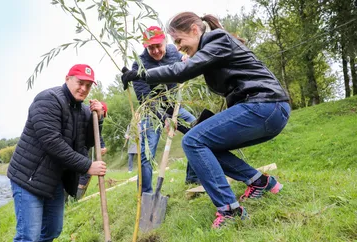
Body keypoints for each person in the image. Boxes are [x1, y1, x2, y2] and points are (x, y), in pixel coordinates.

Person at [121, 13, 290, 228]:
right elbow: (186, 69)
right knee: (204, 143)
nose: (179, 47)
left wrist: (141, 74)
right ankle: (260, 182)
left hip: (265, 105)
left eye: (179, 41)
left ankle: (229, 210)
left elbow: (182, 72)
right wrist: (175, 123)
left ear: (194, 30)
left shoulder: (217, 39)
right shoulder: (210, 49)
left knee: (193, 142)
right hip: (267, 110)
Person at [7, 64, 106, 242]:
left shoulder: (82, 110)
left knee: (53, 230)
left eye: (88, 86)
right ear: (68, 78)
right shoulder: (48, 100)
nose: (84, 89)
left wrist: (99, 118)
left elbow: (86, 142)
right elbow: (53, 143)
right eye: (80, 83)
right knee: (27, 238)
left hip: (54, 182)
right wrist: (88, 166)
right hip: (29, 178)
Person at [131, 26, 198, 193]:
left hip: (175, 107)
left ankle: (193, 178)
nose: (155, 51)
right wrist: (165, 119)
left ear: (165, 42)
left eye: (158, 46)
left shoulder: (174, 52)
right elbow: (145, 99)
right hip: (152, 111)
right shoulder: (138, 65)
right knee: (147, 154)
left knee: (198, 130)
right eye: (150, 47)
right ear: (145, 46)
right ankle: (145, 192)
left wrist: (186, 61)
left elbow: (190, 59)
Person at [76, 101, 108, 200]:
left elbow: (98, 134)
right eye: (104, 114)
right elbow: (95, 133)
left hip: (83, 148)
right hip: (79, 147)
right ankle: (75, 198)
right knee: (85, 173)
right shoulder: (88, 115)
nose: (104, 116)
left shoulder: (95, 118)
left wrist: (102, 146)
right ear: (102, 110)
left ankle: (74, 198)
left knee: (84, 174)